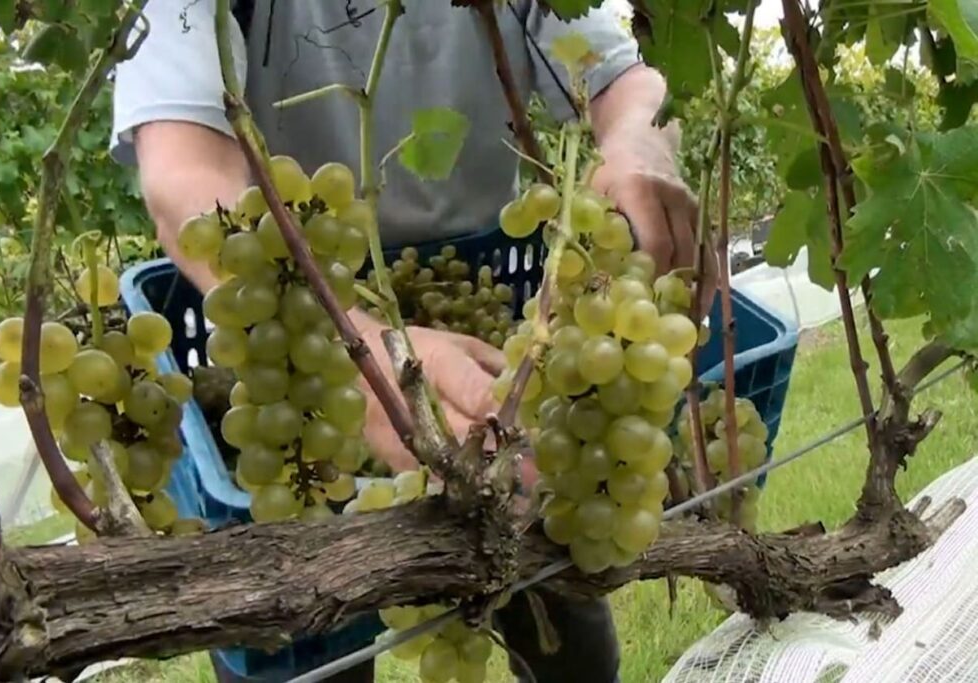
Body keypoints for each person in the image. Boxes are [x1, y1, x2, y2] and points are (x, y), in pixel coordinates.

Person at [112, 2, 709, 681]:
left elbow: (617, 77)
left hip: (484, 305)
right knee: (310, 628)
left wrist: (637, 138)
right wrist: (351, 355)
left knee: (564, 614)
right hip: (297, 311)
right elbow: (186, 176)